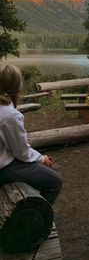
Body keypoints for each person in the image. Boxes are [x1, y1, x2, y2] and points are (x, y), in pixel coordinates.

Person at [0, 64, 62, 204]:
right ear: (17, 86)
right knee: (55, 182)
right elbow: (21, 153)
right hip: (3, 168)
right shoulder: (10, 115)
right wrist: (42, 159)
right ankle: (34, 220)